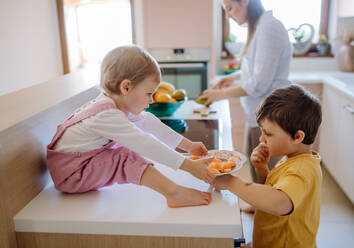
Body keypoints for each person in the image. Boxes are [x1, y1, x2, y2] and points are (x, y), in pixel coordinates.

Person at [46, 45, 216, 208]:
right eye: (149, 94)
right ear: (126, 87)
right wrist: (188, 166)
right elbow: (145, 143)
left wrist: (188, 145)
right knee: (125, 156)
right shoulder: (106, 115)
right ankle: (173, 193)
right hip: (71, 175)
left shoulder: (113, 103)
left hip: (79, 165)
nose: (151, 100)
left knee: (131, 143)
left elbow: (148, 121)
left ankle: (174, 191)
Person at [212, 84, 322, 248]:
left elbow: (279, 204)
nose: (261, 139)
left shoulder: (301, 170)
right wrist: (262, 169)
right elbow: (274, 191)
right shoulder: (294, 159)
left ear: (297, 137)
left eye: (268, 134)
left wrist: (230, 182)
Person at [198, 0, 293, 190]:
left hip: (272, 116)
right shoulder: (259, 28)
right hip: (259, 114)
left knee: (267, 170)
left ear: (245, 2)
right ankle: (260, 207)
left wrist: (220, 95)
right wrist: (231, 78)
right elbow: (257, 70)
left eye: (230, 8)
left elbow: (260, 82)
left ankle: (267, 213)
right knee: (257, 164)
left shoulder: (269, 29)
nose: (228, 15)